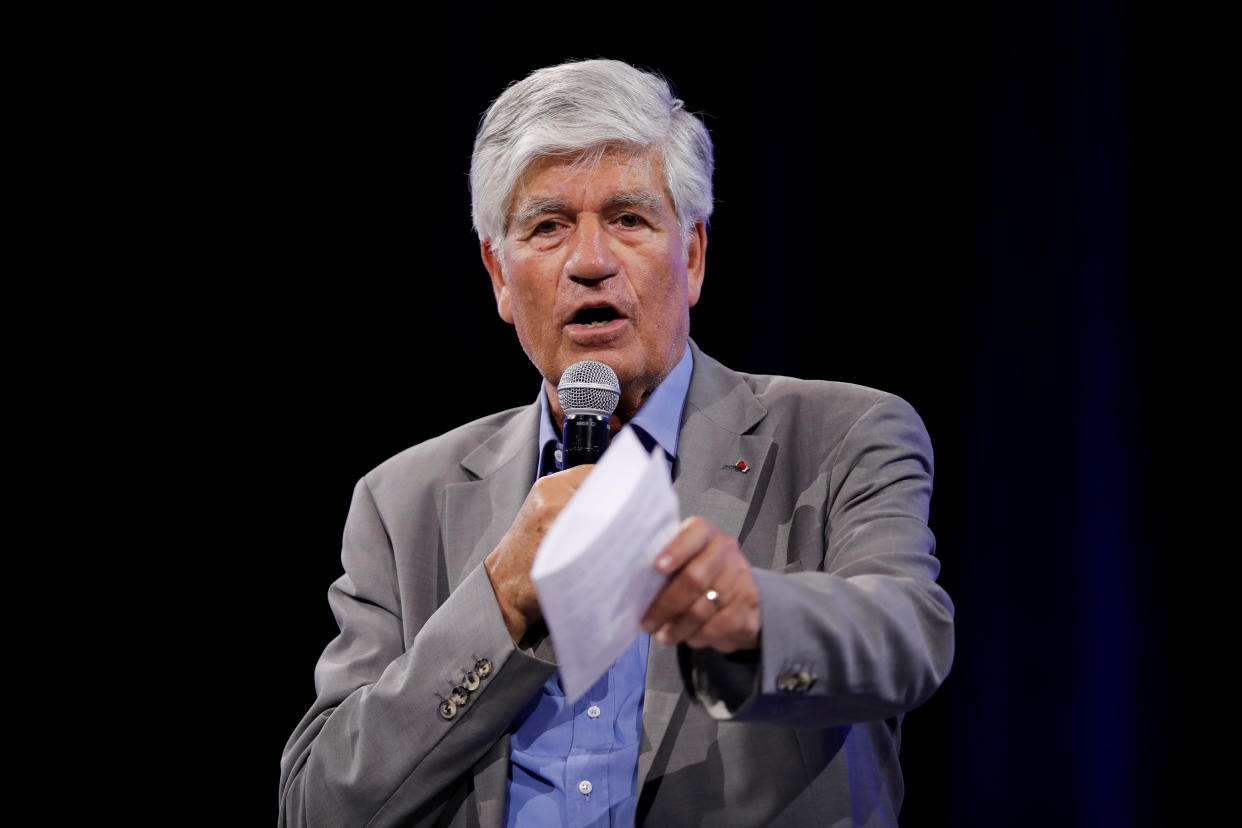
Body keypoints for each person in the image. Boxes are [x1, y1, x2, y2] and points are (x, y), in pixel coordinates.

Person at [279, 59, 954, 827]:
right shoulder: (404, 503)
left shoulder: (838, 435)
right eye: (548, 227)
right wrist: (498, 601)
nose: (590, 261)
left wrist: (752, 616)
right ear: (499, 275)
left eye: (630, 219)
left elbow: (909, 639)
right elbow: (320, 805)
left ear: (692, 255)